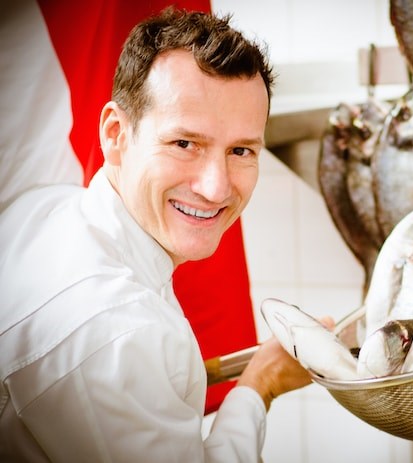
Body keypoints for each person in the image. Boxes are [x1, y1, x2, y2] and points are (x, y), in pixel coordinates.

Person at [0, 7, 313, 462]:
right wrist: (260, 386)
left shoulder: (48, 207)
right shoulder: (120, 336)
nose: (216, 188)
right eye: (185, 143)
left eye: (241, 150)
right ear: (115, 135)